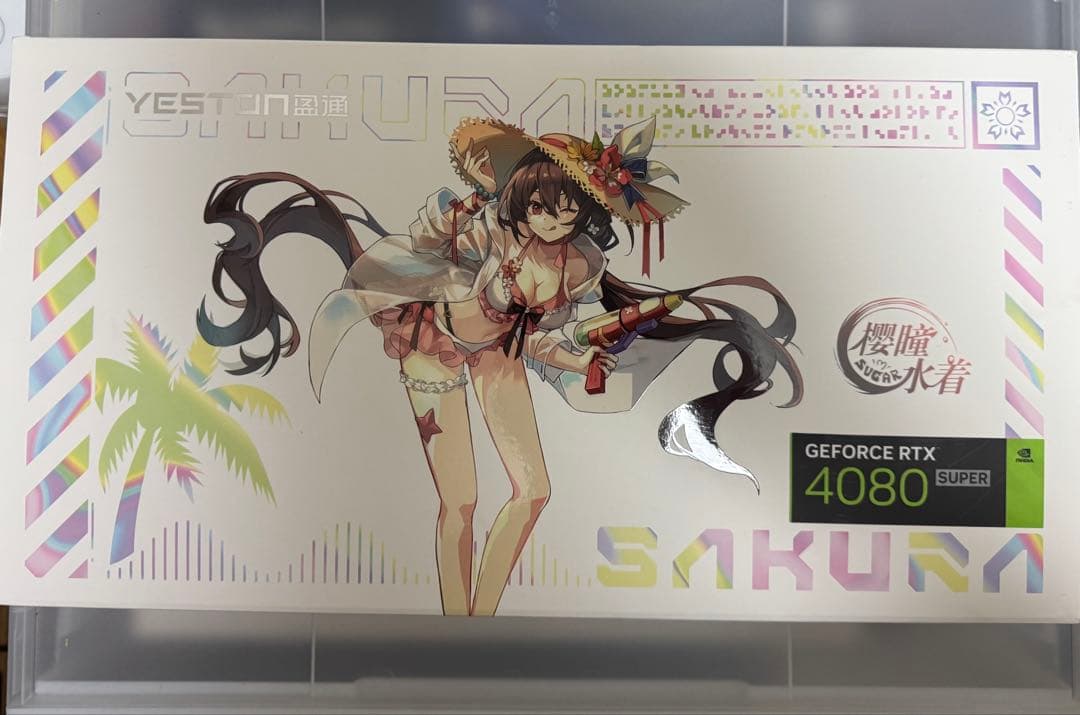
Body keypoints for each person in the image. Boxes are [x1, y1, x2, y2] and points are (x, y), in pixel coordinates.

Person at [196, 116, 803, 616]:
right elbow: (430, 261)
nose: (553, 219)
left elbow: (533, 339)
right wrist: (448, 233)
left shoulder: (578, 264)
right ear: (521, 196)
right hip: (434, 347)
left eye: (568, 210)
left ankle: (480, 618)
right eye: (541, 205)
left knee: (533, 491)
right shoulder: (483, 230)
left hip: (500, 353)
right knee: (460, 501)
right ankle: (455, 624)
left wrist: (578, 357)